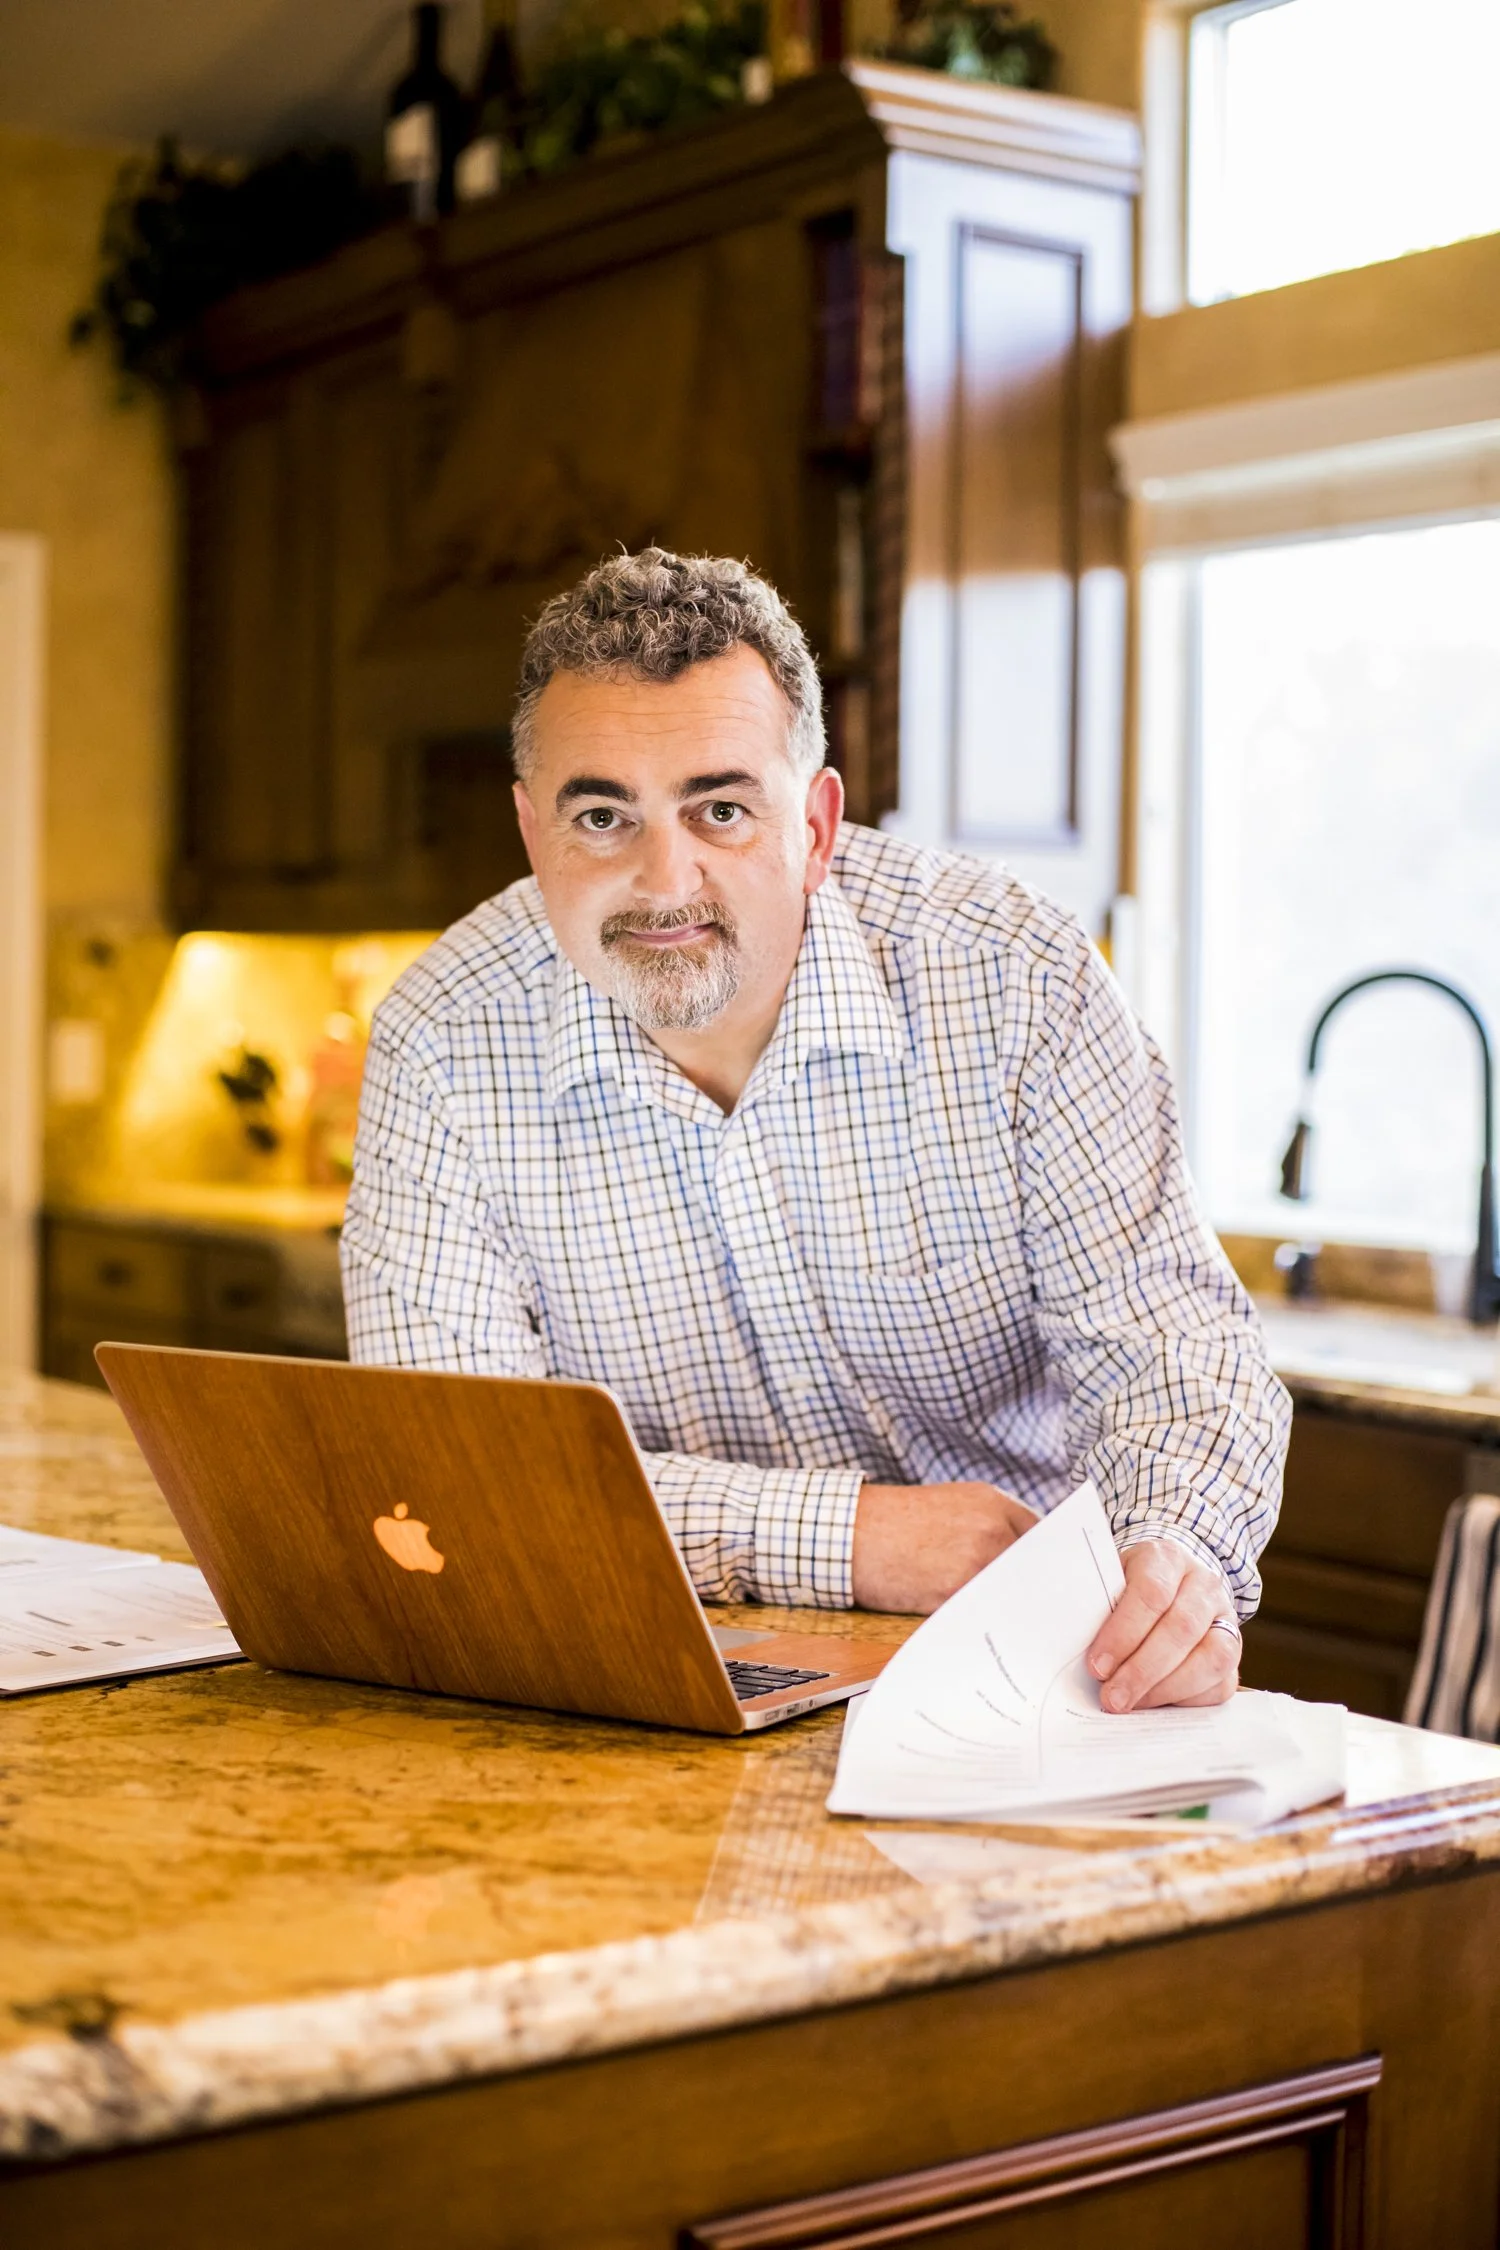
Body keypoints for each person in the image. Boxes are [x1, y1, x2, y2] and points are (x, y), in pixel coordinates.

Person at [342, 549, 1289, 1714]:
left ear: (819, 823)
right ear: (535, 835)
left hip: (1038, 1675)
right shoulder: (442, 1040)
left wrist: (1175, 1555)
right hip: (640, 1689)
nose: (663, 878)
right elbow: (460, 1478)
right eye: (603, 816)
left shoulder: (1016, 983)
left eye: (721, 809)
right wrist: (856, 1540)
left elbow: (1177, 1358)